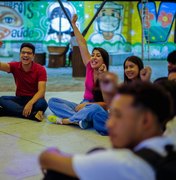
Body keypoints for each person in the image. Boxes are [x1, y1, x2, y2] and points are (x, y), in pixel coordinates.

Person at [39, 81, 175, 180]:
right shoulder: (169, 145)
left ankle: (70, 120)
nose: (109, 124)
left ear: (146, 120)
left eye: (118, 116)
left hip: (91, 111)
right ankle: (77, 119)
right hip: (84, 108)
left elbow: (46, 158)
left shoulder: (124, 164)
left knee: (56, 174)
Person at [47, 14, 109, 127]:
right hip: (83, 104)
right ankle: (80, 119)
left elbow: (107, 104)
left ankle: (68, 120)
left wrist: (103, 76)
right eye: (93, 55)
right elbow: (82, 43)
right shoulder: (90, 66)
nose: (94, 57)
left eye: (98, 56)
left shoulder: (108, 77)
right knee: (52, 101)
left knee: (94, 108)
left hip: (95, 107)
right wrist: (73, 25)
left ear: (104, 60)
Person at [0, 42, 48, 121]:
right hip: (20, 99)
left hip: (35, 100)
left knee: (42, 104)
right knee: (2, 99)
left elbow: (41, 91)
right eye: (23, 52)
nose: (25, 55)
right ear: (20, 54)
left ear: (33, 56)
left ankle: (8, 112)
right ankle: (33, 115)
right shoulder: (14, 66)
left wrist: (30, 103)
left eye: (29, 53)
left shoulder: (40, 69)